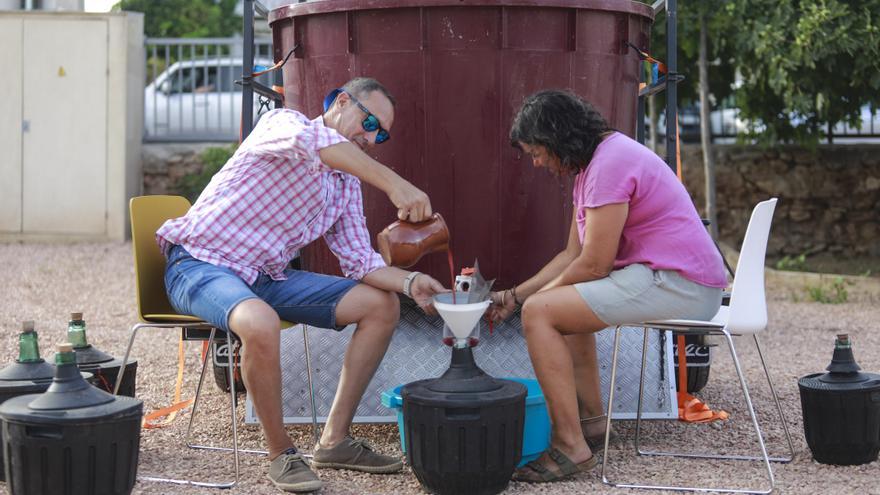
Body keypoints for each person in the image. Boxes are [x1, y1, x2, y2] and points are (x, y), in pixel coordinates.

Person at [156, 77, 447, 493]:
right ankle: (281, 455)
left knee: (381, 305)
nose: (372, 137)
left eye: (381, 133)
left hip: (264, 276)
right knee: (259, 321)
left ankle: (334, 440)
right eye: (369, 123)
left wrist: (412, 281)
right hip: (201, 263)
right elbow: (317, 144)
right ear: (342, 102)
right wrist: (395, 184)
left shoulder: (345, 184)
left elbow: (360, 261)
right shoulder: (283, 124)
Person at [489, 90, 726, 483]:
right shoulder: (595, 164)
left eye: (537, 152)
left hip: (681, 285)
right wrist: (516, 295)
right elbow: (572, 256)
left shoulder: (609, 165)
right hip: (668, 276)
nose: (537, 163)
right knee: (557, 309)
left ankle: (570, 445)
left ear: (557, 139)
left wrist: (536, 303)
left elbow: (595, 265)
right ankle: (593, 425)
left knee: (543, 313)